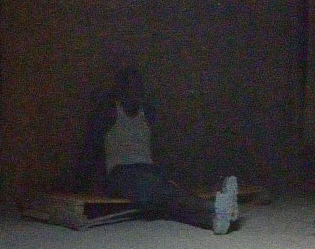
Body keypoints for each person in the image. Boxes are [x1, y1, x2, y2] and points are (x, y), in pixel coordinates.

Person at [86, 68, 238, 234]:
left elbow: (160, 146)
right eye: (130, 88)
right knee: (162, 191)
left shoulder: (147, 113)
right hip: (121, 172)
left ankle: (213, 220)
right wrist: (94, 182)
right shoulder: (109, 111)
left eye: (138, 88)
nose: (134, 93)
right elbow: (93, 148)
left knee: (168, 198)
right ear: (120, 89)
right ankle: (215, 207)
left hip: (147, 169)